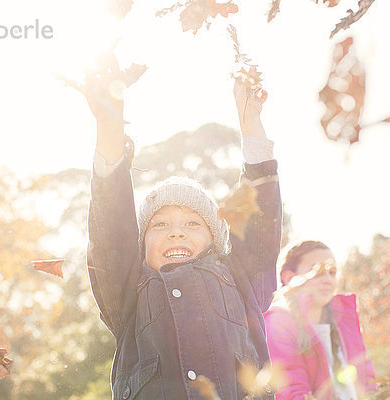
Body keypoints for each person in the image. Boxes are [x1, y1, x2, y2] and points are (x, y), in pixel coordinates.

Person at [76, 53, 282, 399]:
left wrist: (251, 126)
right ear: (139, 248)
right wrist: (109, 126)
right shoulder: (129, 294)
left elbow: (261, 222)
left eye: (192, 222)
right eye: (159, 225)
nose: (176, 231)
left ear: (216, 241)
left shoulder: (239, 279)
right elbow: (110, 228)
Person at [264, 241, 376, 400]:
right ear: (289, 278)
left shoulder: (345, 322)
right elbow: (292, 393)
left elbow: (369, 382)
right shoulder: (278, 324)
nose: (328, 279)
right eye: (317, 270)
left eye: (332, 272)